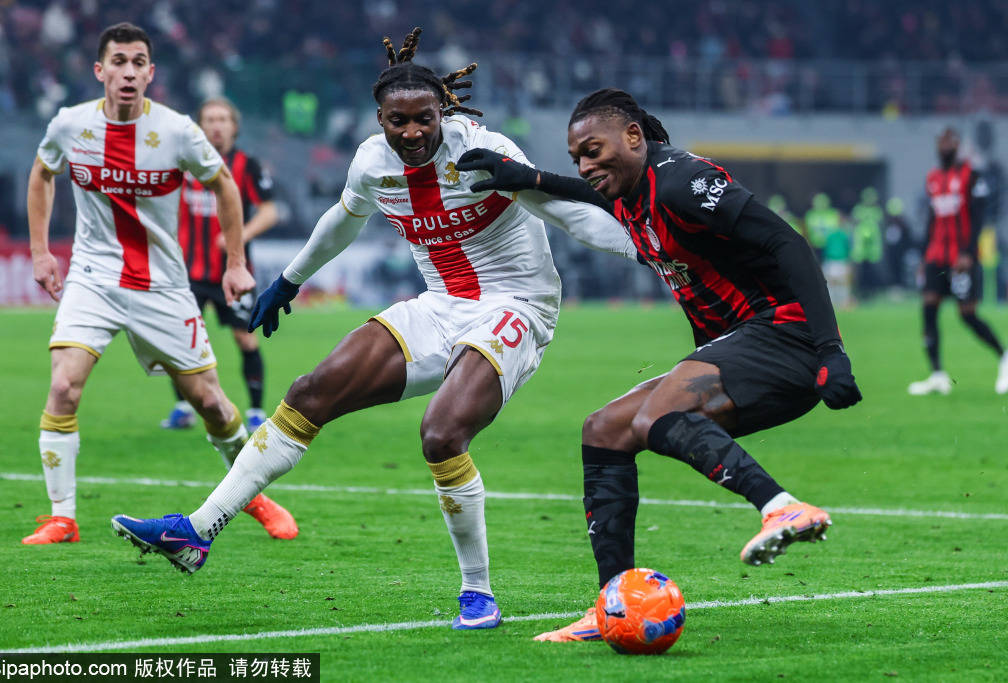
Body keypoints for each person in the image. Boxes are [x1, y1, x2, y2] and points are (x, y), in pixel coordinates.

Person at [110, 29, 635, 630]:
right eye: (397, 121)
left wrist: (649, 248)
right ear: (379, 119)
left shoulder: (483, 150)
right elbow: (344, 216)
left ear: (443, 112)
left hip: (517, 305)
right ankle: (197, 531)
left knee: (441, 434)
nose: (411, 132)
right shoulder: (371, 163)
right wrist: (290, 280)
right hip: (440, 305)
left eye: (423, 119)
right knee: (310, 392)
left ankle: (478, 592)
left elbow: (565, 212)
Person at [454, 88, 862, 642]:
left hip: (785, 335)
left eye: (594, 151)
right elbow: (588, 192)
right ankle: (612, 604)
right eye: (577, 157)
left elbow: (787, 243)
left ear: (633, 137)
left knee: (656, 417)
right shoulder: (629, 190)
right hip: (741, 345)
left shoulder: (680, 182)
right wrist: (528, 177)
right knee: (604, 429)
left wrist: (831, 350)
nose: (586, 165)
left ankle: (781, 507)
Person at [24, 22, 296, 545]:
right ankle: (62, 516)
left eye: (138, 63)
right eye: (119, 62)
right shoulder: (70, 124)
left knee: (211, 403)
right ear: (99, 70)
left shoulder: (176, 132)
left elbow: (224, 185)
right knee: (62, 385)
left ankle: (254, 497)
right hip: (93, 278)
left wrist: (235, 262)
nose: (128, 72)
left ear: (151, 73)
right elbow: (42, 173)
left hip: (163, 286)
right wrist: (40, 252)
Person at [162, 97, 279, 432]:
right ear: (200, 126)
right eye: (210, 119)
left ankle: (255, 412)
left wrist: (238, 235)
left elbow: (270, 211)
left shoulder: (247, 165)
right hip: (189, 272)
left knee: (246, 339)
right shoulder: (182, 163)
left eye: (223, 119)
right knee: (180, 340)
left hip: (234, 271)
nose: (216, 126)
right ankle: (183, 407)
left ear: (234, 127)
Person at [907, 127, 1008, 396]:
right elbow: (931, 220)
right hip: (935, 257)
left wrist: (968, 252)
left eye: (949, 142)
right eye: (940, 142)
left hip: (961, 258)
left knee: (967, 315)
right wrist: (924, 255)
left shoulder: (971, 177)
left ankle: (1004, 356)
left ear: (957, 145)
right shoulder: (933, 178)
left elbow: (978, 217)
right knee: (928, 309)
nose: (944, 146)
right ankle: (937, 374)